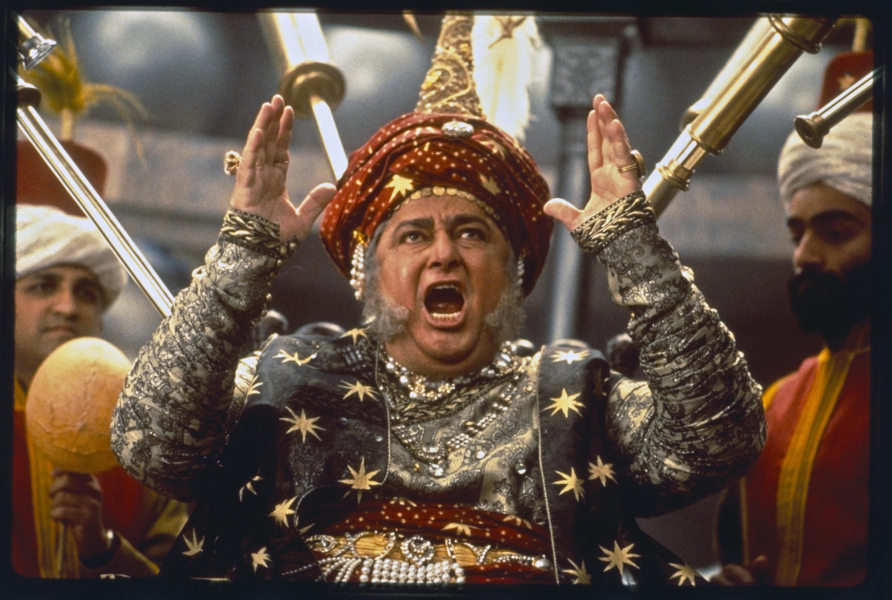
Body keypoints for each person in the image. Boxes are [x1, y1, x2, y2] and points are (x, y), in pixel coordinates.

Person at [111, 15, 764, 585]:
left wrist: (633, 248)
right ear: (368, 272)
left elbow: (720, 440)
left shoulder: (576, 394)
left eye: (472, 233)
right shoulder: (286, 381)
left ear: (513, 272)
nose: (444, 253)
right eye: (414, 235)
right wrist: (242, 255)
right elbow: (151, 445)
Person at [711, 110, 872, 586]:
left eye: (836, 233)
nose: (804, 255)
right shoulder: (775, 404)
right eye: (797, 235)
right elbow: (736, 555)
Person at [13, 203, 190, 578]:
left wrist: (102, 548)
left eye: (87, 293)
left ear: (100, 322)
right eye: (43, 286)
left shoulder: (146, 439)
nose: (68, 307)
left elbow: (178, 582)